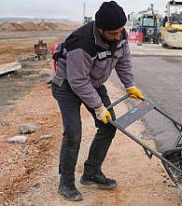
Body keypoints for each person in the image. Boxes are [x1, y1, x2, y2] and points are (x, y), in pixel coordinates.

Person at [51, 1, 144, 201]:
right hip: (67, 86)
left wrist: (129, 85)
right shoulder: (81, 43)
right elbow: (78, 81)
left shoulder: (119, 35)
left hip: (92, 82)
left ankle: (91, 173)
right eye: (113, 33)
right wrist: (98, 107)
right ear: (100, 29)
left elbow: (123, 61)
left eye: (120, 31)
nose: (118, 36)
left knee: (109, 126)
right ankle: (66, 183)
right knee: (74, 134)